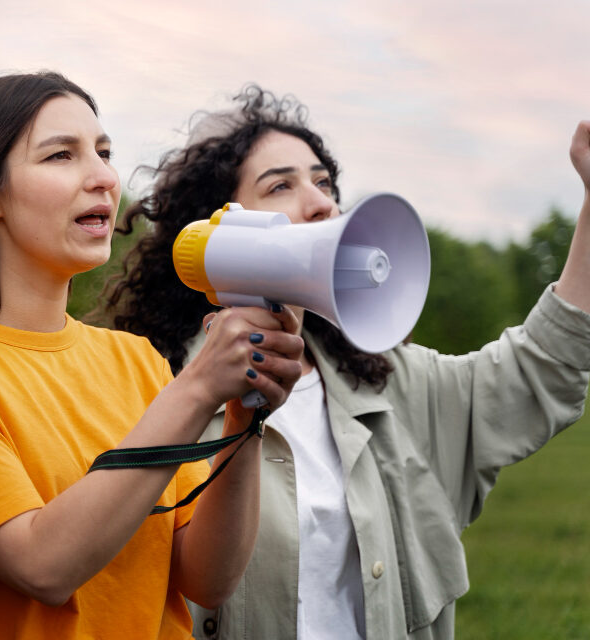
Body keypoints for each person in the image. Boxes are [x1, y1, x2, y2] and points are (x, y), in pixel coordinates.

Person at [102, 84, 590, 640]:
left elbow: (541, 369)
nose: (321, 202)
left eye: (324, 182)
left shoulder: (388, 382)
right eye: (281, 184)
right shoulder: (152, 390)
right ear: (224, 226)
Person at [0, 72, 305, 639]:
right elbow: (43, 566)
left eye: (104, 152)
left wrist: (245, 412)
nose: (102, 177)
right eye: (60, 156)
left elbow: (206, 580)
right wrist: (197, 389)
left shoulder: (136, 360)